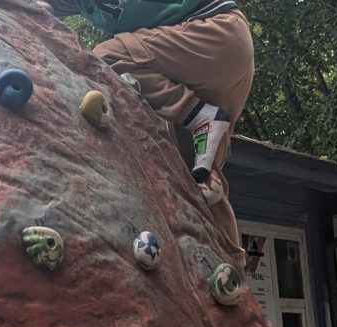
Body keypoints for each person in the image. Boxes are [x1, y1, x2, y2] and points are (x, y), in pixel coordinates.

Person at [42, 0, 254, 268]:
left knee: (106, 57)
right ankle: (233, 267)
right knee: (196, 179)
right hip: (211, 59)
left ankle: (198, 114)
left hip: (214, 31)